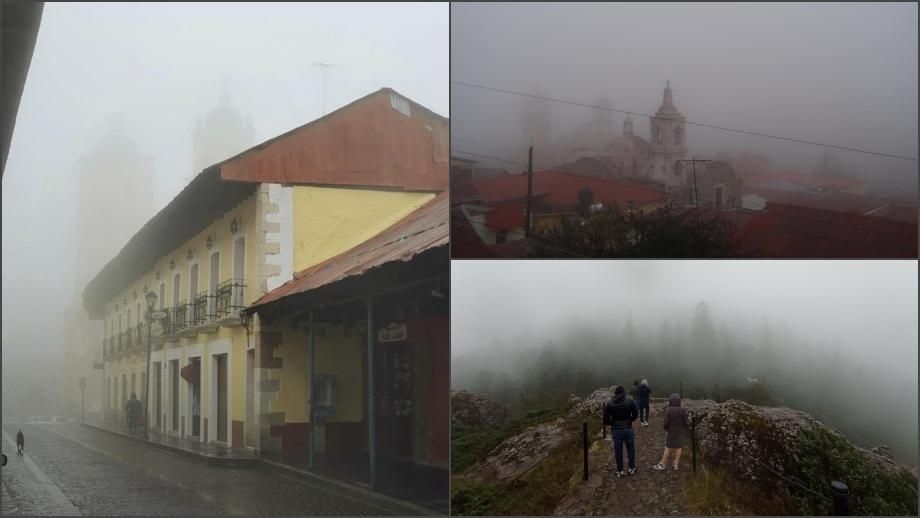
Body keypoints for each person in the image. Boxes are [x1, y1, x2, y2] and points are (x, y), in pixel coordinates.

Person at [603, 385, 639, 478]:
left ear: (615, 393)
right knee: (631, 449)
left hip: (616, 431)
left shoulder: (610, 403)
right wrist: (630, 420)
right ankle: (631, 468)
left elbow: (605, 419)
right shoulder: (629, 401)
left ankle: (620, 471)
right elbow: (635, 414)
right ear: (624, 393)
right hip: (628, 429)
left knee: (618, 451)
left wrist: (612, 423)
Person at [654, 393, 689, 471]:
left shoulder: (669, 410)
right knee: (678, 447)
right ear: (679, 401)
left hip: (671, 431)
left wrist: (666, 428)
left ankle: (663, 463)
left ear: (671, 401)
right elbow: (685, 422)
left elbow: (666, 422)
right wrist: (685, 429)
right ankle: (675, 464)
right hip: (680, 431)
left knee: (667, 447)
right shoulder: (683, 410)